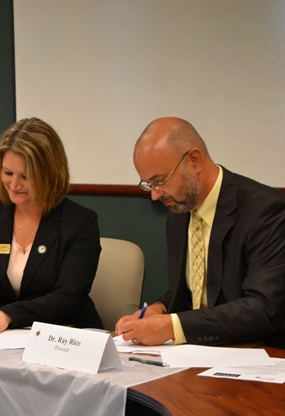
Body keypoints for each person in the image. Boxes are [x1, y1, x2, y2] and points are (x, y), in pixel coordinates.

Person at [116, 117, 285, 347]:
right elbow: (197, 290)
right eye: (148, 185)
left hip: (254, 354)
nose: (155, 195)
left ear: (194, 161)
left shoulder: (265, 211)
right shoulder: (178, 212)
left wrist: (173, 327)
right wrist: (159, 309)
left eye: (159, 181)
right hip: (194, 356)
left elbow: (262, 309)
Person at [0, 117, 102, 335]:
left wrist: (9, 314)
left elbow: (68, 297)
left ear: (50, 174)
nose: (14, 185)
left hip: (64, 335)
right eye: (8, 173)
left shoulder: (80, 222)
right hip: (1, 335)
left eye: (25, 176)